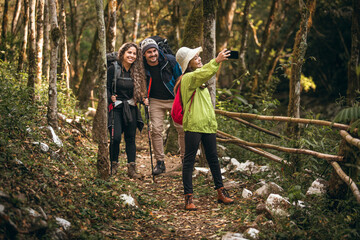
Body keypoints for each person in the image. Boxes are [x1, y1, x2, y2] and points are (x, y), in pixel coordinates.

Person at [175, 46, 234, 210]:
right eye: (195, 58)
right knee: (189, 161)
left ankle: (221, 192)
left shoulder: (199, 81)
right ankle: (188, 198)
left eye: (198, 56)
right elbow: (203, 73)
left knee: (213, 159)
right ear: (188, 64)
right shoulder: (187, 78)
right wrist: (216, 61)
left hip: (207, 125)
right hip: (193, 125)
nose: (199, 59)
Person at [140, 38, 185, 175]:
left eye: (154, 51)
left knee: (182, 129)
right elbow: (140, 81)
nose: (153, 54)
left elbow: (180, 76)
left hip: (173, 98)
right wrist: (143, 97)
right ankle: (160, 163)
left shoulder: (169, 60)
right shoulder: (141, 65)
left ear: (157, 50)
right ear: (144, 54)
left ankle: (186, 161)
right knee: (156, 130)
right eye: (149, 52)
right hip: (155, 100)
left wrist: (179, 94)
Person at [107, 42, 146, 179]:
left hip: (131, 107)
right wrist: (109, 97)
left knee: (130, 139)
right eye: (129, 52)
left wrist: (143, 100)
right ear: (122, 53)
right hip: (116, 108)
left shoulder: (137, 71)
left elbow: (139, 91)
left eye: (134, 53)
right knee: (115, 137)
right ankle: (113, 166)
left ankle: (131, 169)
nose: (132, 56)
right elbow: (106, 87)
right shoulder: (113, 68)